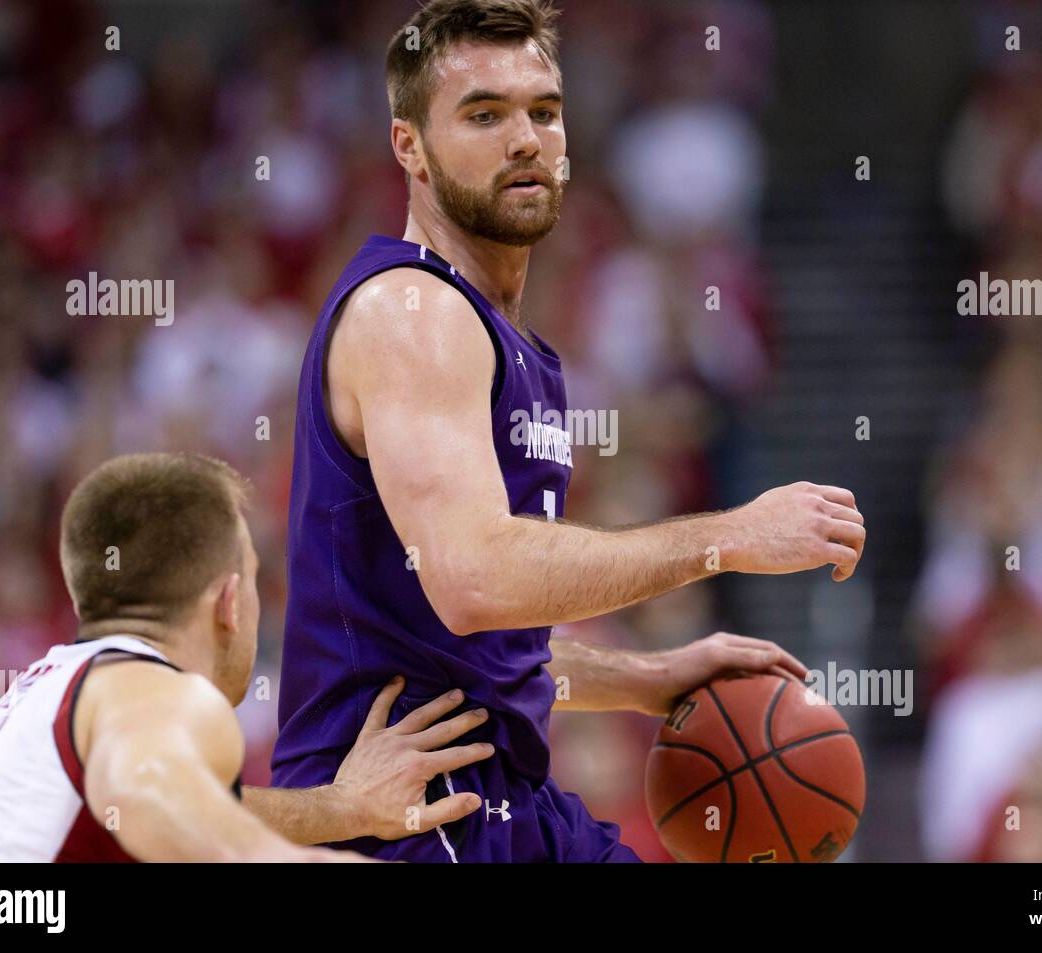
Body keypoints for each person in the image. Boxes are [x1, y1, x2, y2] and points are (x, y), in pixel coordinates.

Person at [273, 0, 865, 862]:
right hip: (403, 816)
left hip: (501, 800)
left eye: (542, 112)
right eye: (483, 114)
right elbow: (476, 579)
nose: (524, 138)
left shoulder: (509, 342)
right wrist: (729, 537)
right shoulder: (413, 311)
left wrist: (646, 679)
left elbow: (482, 650)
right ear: (410, 148)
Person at [0, 453, 491, 862]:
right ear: (229, 602)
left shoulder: (50, 694)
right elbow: (150, 796)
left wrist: (344, 808)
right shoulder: (150, 689)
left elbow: (177, 798)